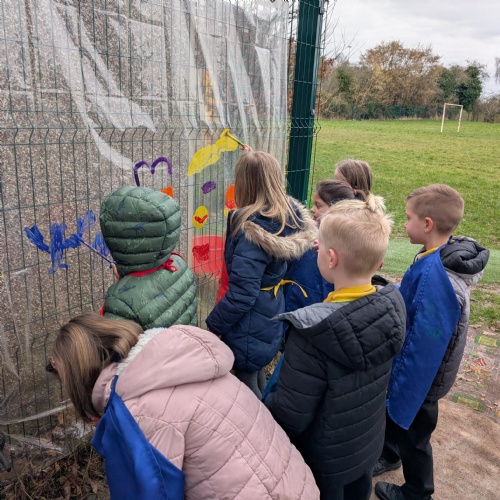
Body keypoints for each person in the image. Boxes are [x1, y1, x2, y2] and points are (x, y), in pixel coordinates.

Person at [46, 313, 320, 500]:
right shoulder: (179, 359)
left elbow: (150, 493)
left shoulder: (138, 412)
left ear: (79, 381)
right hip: (296, 485)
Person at [266, 195, 406, 500]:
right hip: (364, 445)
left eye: (318, 245)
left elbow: (289, 415)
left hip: (322, 461)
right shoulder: (393, 306)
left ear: (330, 259)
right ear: (379, 263)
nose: (314, 247)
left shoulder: (312, 333)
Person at [373, 184, 490, 500]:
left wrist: (403, 388)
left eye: (408, 217)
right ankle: (390, 453)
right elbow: (415, 301)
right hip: (417, 370)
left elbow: (424, 347)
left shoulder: (438, 279)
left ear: (427, 224)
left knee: (415, 435)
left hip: (422, 379)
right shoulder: (433, 255)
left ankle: (418, 491)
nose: (404, 224)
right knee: (399, 419)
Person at [205, 151, 317, 398]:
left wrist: (213, 325)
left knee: (246, 388)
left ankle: (263, 419)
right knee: (255, 372)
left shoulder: (252, 233)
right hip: (269, 310)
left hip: (248, 322)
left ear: (243, 184)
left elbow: (242, 294)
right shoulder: (284, 218)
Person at [99, 185, 197, 329]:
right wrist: (126, 278)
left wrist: (124, 286)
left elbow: (115, 342)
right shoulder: (178, 264)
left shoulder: (121, 302)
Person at [284, 179, 365, 313]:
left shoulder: (342, 246)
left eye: (318, 205)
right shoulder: (306, 235)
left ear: (335, 209)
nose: (312, 209)